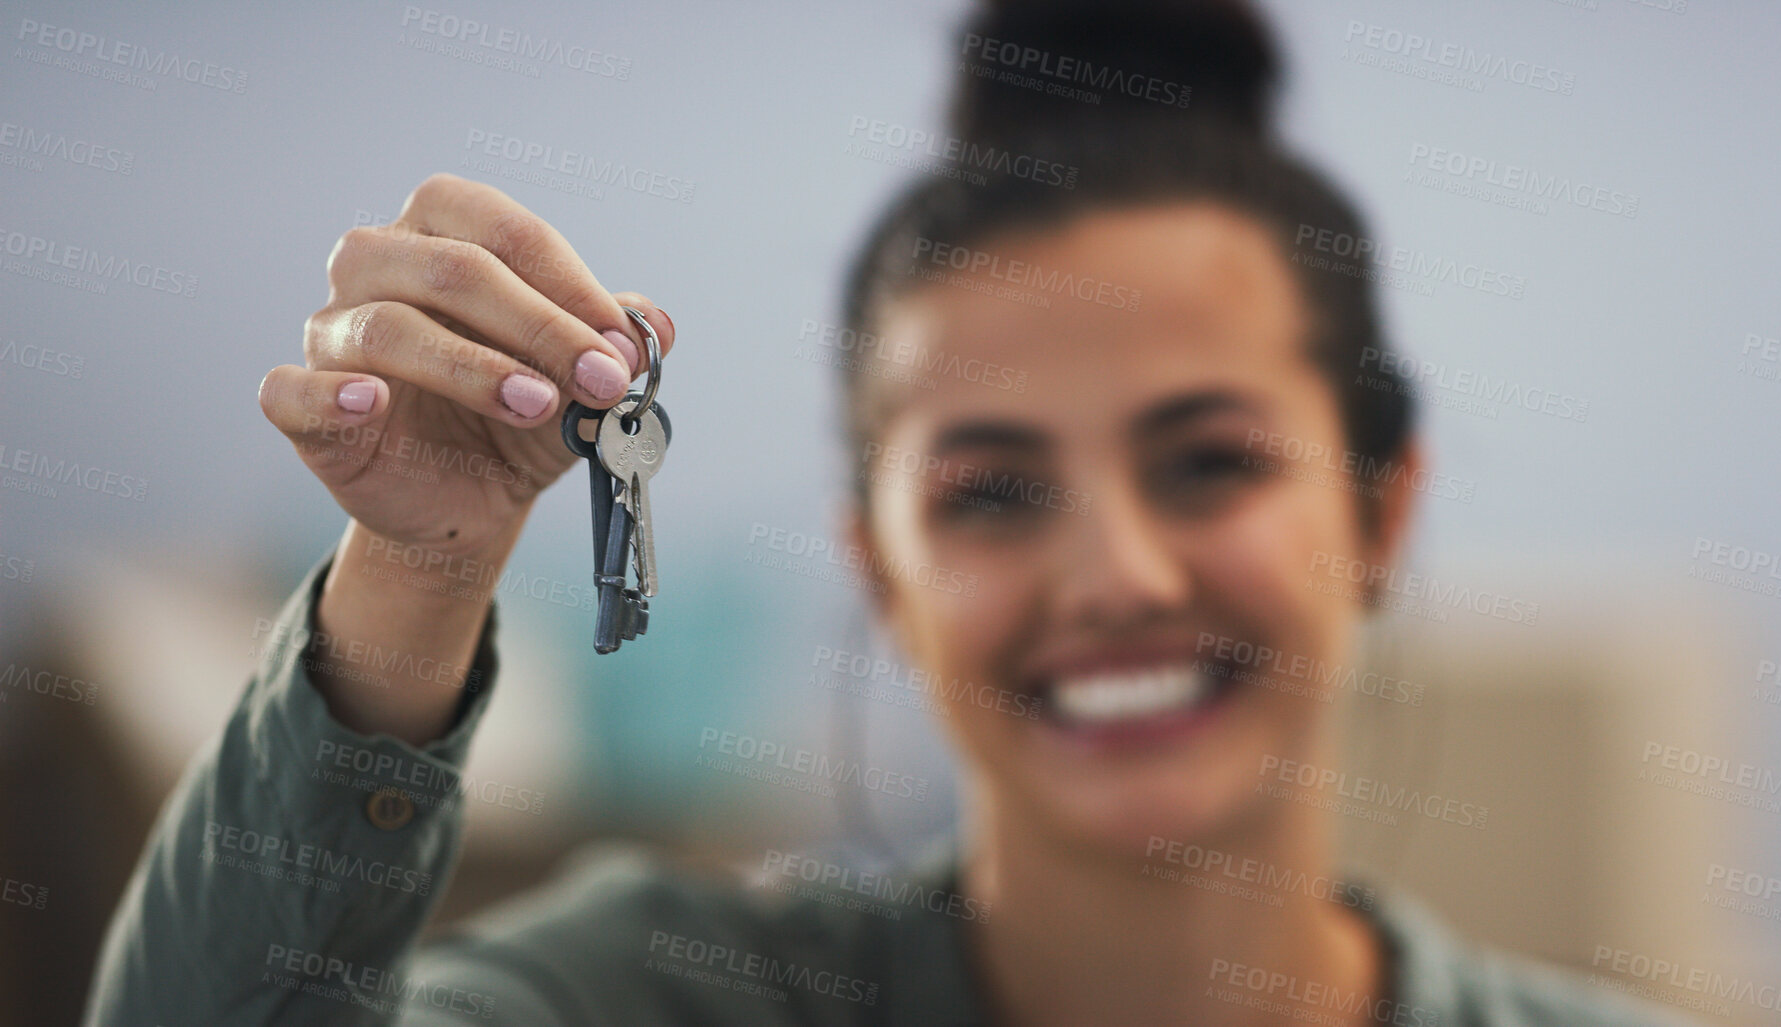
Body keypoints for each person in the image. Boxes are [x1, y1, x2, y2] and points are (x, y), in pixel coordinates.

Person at [86, 1, 1695, 1024]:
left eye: (1208, 460)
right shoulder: (653, 997)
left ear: (1382, 511)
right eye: (993, 491)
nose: (1115, 574)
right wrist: (413, 575)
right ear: (884, 570)